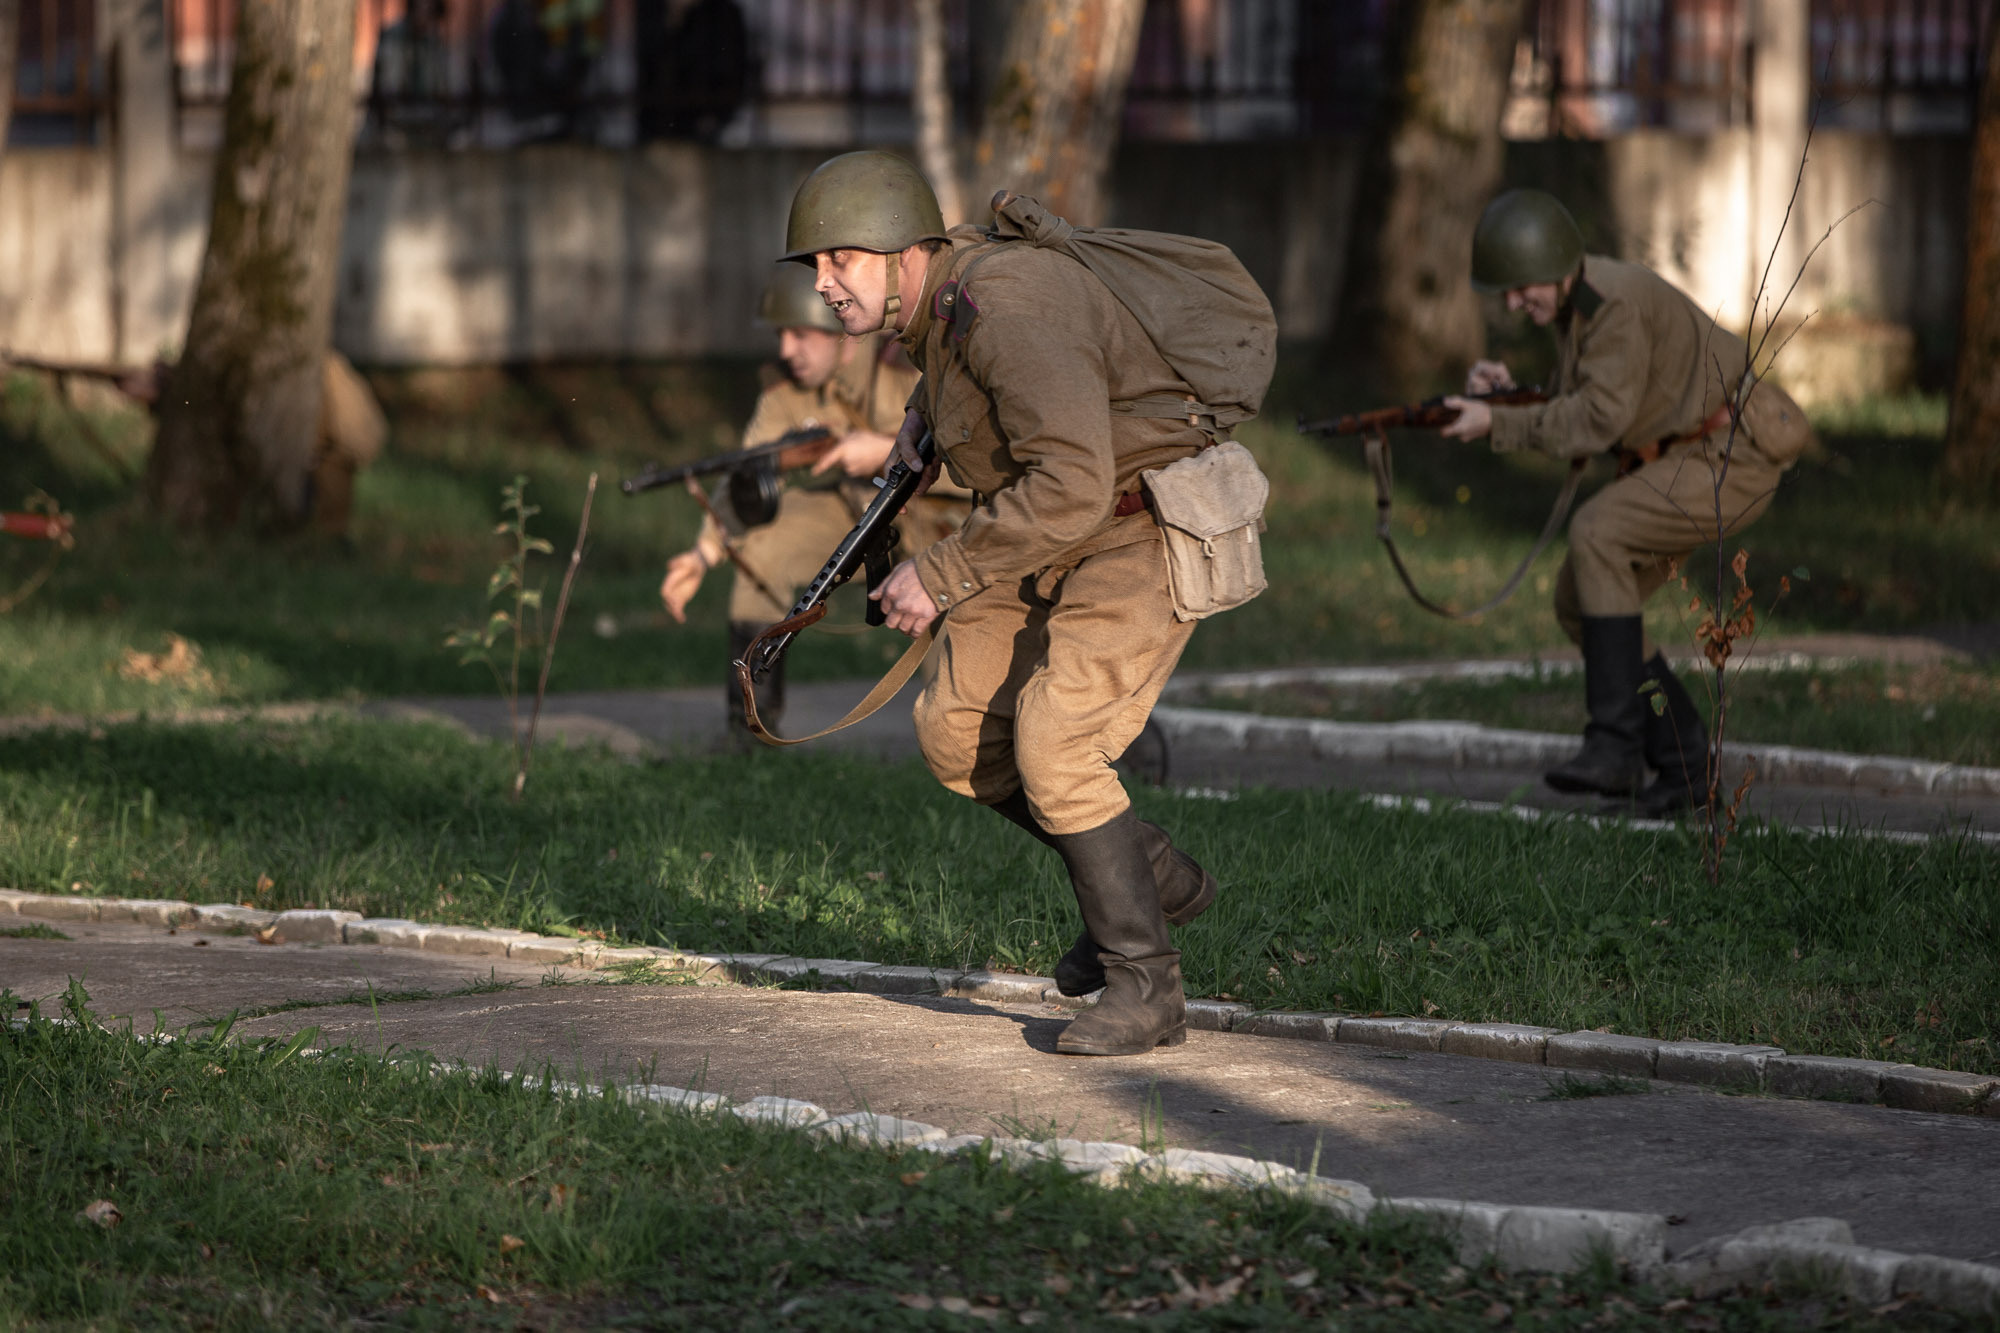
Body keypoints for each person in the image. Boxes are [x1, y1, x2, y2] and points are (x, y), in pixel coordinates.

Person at [780, 150, 1253, 1058]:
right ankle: (1145, 877)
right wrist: (926, 407)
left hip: (1135, 521)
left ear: (902, 248)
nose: (825, 284)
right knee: (958, 730)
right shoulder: (943, 307)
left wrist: (943, 573)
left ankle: (1145, 985)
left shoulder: (1006, 305)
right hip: (1050, 530)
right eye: (815, 267)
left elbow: (1073, 483)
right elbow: (997, 391)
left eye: (841, 259)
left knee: (1056, 740)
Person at [1440, 189, 1813, 816]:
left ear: (1555, 267)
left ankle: (1615, 749)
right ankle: (1685, 765)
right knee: (1578, 600)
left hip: (1729, 455)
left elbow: (1595, 421)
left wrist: (1495, 425)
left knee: (1596, 533)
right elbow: (1591, 403)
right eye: (1504, 292)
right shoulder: (1580, 306)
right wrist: (1510, 399)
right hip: (1686, 455)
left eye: (1520, 287)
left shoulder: (1612, 306)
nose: (1513, 303)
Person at [659, 263, 969, 738]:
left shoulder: (907, 365)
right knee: (763, 548)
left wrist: (881, 449)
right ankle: (750, 735)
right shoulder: (785, 393)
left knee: (961, 646)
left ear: (845, 337)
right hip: (858, 512)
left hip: (949, 514)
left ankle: (971, 745)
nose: (787, 350)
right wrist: (703, 554)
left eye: (802, 335)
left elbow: (979, 451)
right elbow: (748, 473)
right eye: (783, 335)